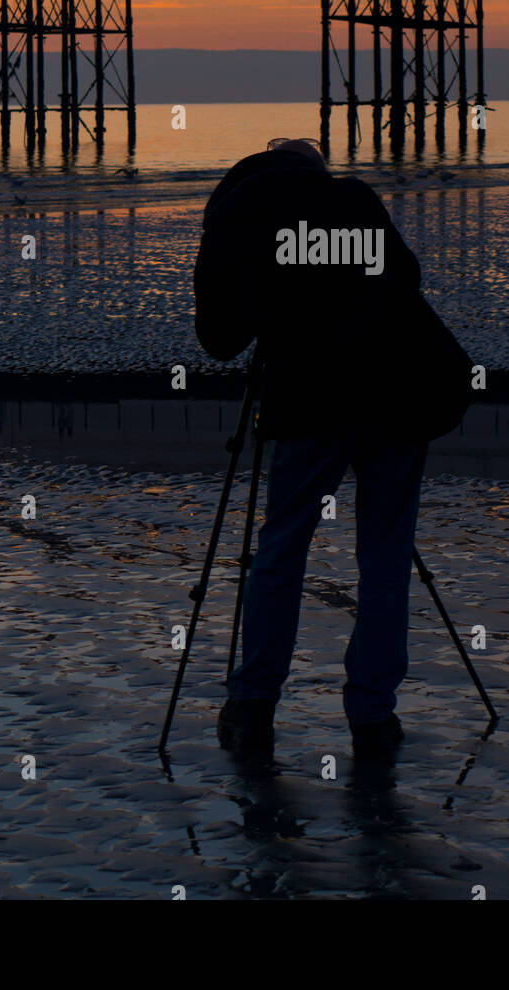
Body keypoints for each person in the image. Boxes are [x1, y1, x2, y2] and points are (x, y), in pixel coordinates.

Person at [193, 139, 472, 762]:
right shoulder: (352, 197)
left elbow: (217, 339)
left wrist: (276, 307)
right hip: (397, 390)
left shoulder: (235, 221)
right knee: (386, 554)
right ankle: (373, 715)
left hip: (311, 399)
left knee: (280, 548)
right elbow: (405, 278)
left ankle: (253, 706)